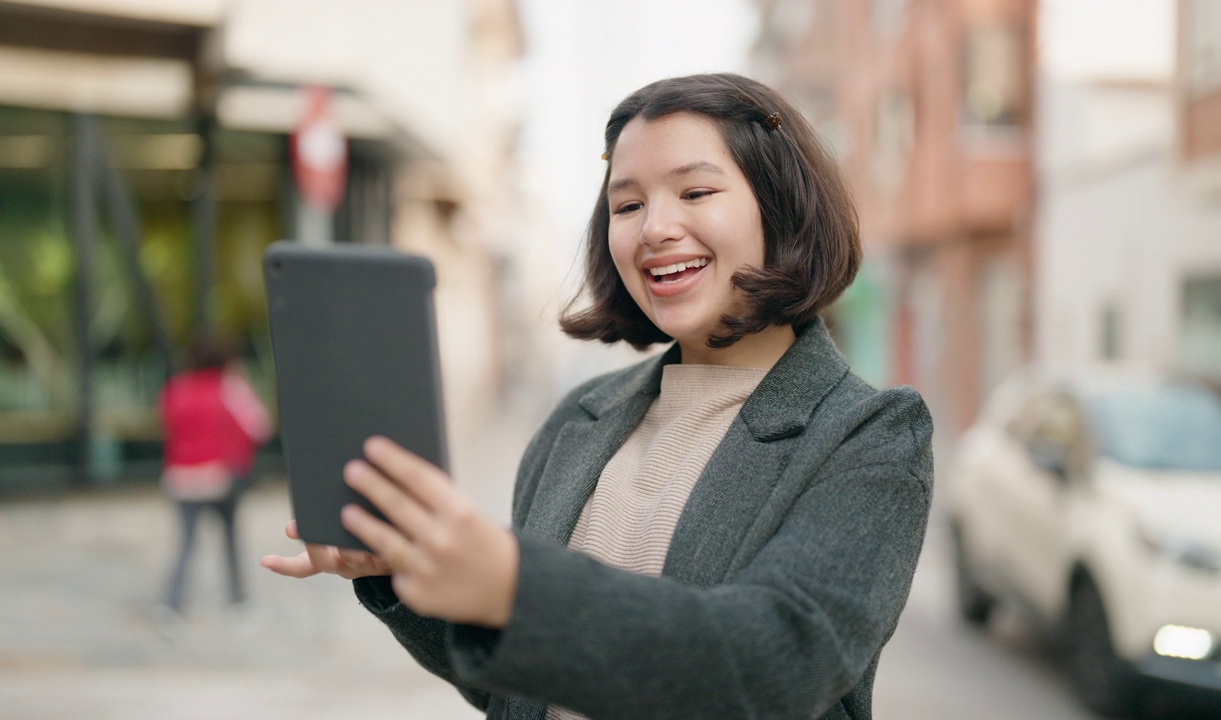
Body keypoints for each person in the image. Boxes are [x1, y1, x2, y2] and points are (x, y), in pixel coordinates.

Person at [262, 73, 932, 720]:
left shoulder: (870, 435)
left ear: (780, 208)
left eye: (695, 192)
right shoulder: (580, 420)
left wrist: (512, 586)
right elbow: (521, 688)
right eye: (628, 204)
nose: (653, 229)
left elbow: (774, 664)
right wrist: (397, 577)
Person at [160, 338, 273, 614]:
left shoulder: (175, 389)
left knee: (186, 543)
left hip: (182, 479)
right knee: (231, 540)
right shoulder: (230, 387)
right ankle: (237, 601)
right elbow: (259, 427)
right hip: (218, 478)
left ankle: (173, 602)